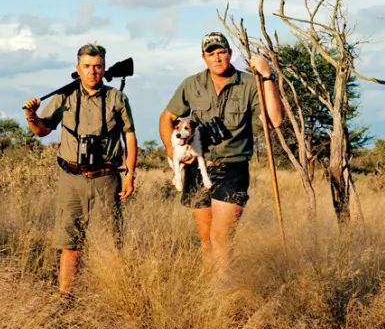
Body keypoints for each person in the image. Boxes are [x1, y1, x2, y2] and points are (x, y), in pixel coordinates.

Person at [159, 32, 283, 274]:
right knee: (206, 241)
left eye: (221, 52)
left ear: (229, 53)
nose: (217, 58)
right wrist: (172, 151)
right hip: (198, 167)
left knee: (222, 239)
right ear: (204, 57)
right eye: (211, 53)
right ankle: (210, 299)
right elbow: (167, 118)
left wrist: (267, 76)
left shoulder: (250, 83)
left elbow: (275, 121)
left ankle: (226, 296)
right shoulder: (191, 84)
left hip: (232, 166)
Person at [23, 44, 137, 297]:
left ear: (104, 68)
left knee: (111, 240)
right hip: (71, 178)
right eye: (87, 66)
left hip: (106, 178)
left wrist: (130, 174)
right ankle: (66, 296)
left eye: (97, 66)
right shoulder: (65, 96)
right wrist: (31, 115)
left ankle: (115, 294)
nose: (92, 72)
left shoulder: (117, 98)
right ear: (78, 69)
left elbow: (129, 135)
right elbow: (42, 130)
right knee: (69, 243)